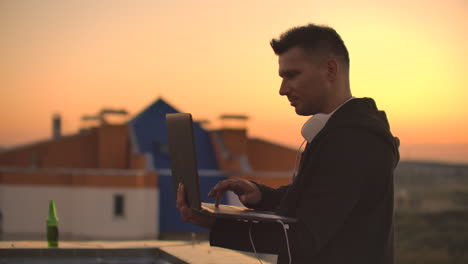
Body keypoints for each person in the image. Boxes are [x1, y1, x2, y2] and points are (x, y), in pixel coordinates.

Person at [176, 23, 400, 264]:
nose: (282, 90)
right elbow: (315, 199)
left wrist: (214, 224)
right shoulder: (340, 133)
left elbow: (304, 238)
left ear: (330, 70)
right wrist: (260, 195)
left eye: (292, 75)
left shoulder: (352, 141)